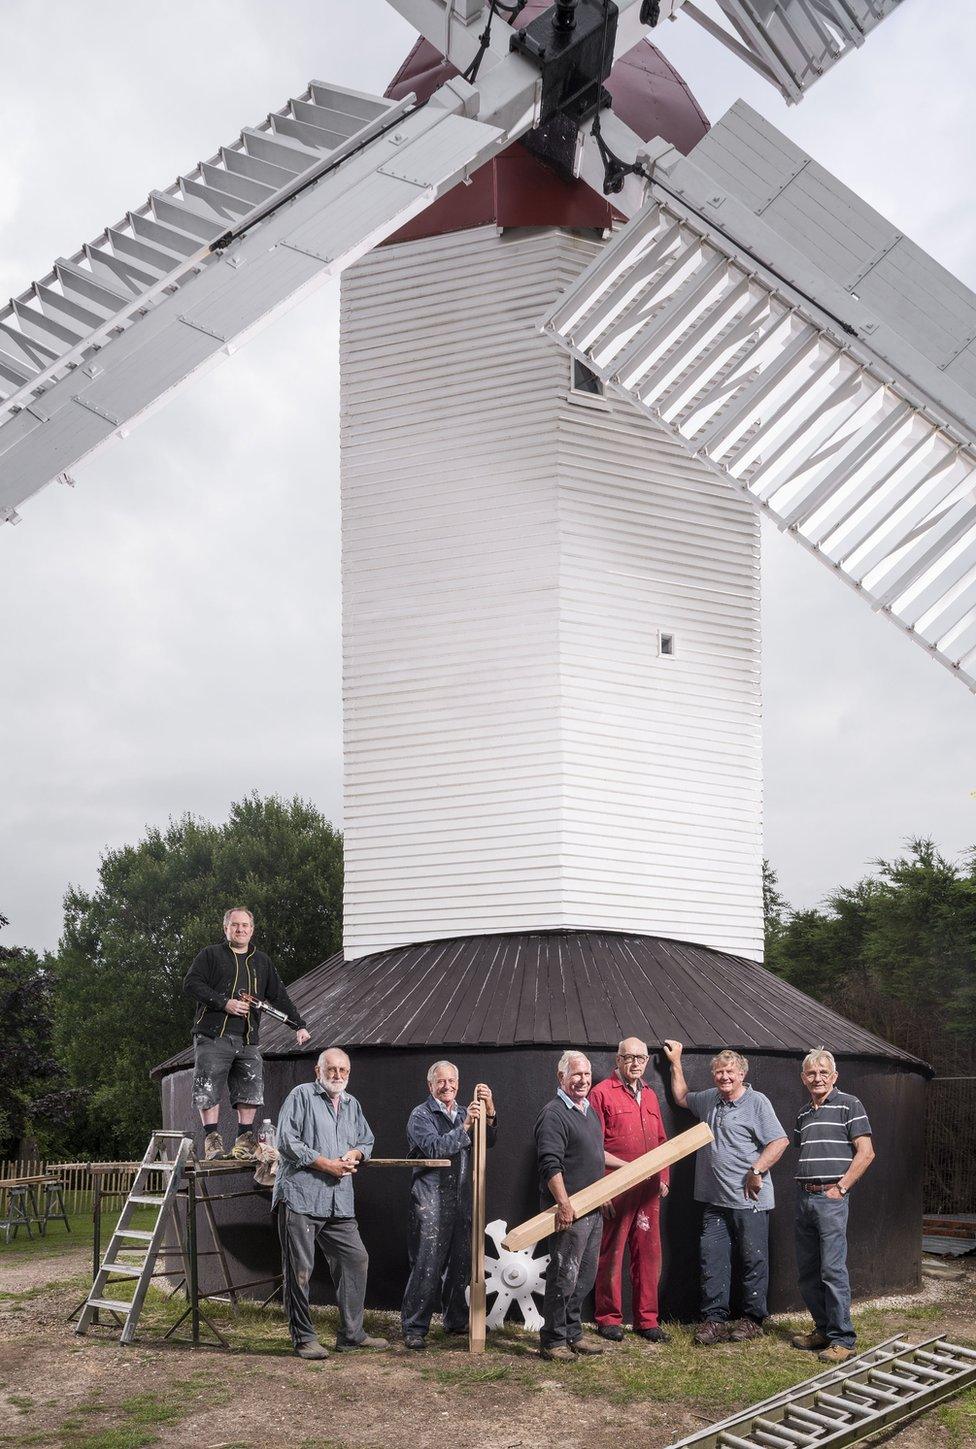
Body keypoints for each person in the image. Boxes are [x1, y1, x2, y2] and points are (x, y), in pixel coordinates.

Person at [663, 1039, 789, 1344]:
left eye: (730, 1071)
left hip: (750, 1201)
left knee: (752, 1260)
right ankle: (714, 1321)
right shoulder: (709, 1100)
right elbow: (681, 1097)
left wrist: (757, 1170)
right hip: (714, 1201)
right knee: (712, 1260)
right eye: (719, 1072)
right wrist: (675, 1061)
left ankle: (753, 1320)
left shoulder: (757, 1103)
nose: (724, 1077)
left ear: (742, 1073)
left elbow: (780, 1141)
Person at [273, 1047, 389, 1360]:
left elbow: (366, 1140)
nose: (337, 1076)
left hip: (339, 1202)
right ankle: (304, 1338)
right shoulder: (301, 1096)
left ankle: (351, 1335)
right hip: (301, 1196)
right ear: (318, 1070)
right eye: (332, 1069)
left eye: (343, 1071)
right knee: (300, 1270)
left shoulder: (352, 1104)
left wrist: (357, 1154)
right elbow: (285, 1141)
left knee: (356, 1259)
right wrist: (326, 1164)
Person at [184, 907, 310, 1160]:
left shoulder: (262, 961)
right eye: (235, 925)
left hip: (248, 1038)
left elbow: (279, 996)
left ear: (252, 930)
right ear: (226, 928)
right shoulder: (210, 955)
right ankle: (213, 1141)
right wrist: (223, 1003)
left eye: (245, 925)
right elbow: (191, 984)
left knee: (250, 1087)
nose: (240, 929)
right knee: (208, 1086)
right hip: (213, 1035)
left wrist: (299, 1025)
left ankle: (244, 1140)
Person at [535, 1050, 626, 1361]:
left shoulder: (588, 1111)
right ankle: (553, 1339)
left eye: (587, 1075)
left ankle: (573, 1332)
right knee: (564, 1274)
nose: (583, 1080)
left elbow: (595, 1155)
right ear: (561, 1078)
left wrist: (622, 1173)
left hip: (593, 1208)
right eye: (576, 1074)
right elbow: (550, 1164)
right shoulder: (554, 1113)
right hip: (570, 1211)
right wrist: (563, 1204)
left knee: (584, 1275)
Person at [400, 1062, 498, 1349]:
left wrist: (489, 1111)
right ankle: (414, 1326)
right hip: (430, 1200)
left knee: (461, 1264)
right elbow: (434, 1148)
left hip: (461, 1197)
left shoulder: (466, 1112)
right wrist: (467, 1125)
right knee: (427, 1265)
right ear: (430, 1085)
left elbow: (488, 1141)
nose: (448, 1086)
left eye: (452, 1081)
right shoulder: (421, 1115)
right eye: (441, 1081)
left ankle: (455, 1319)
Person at [790, 1048, 875, 1363]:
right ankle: (823, 1330)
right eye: (812, 1073)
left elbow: (866, 1152)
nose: (818, 1078)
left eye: (824, 1072)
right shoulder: (802, 1114)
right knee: (807, 1271)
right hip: (803, 1197)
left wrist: (841, 1188)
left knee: (832, 1270)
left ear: (834, 1076)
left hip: (830, 1199)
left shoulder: (850, 1104)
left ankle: (844, 1339)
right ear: (803, 1078)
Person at [589, 1037, 670, 1344]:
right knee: (611, 1253)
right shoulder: (601, 1093)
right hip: (615, 1187)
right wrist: (602, 1191)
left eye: (641, 1058)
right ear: (618, 1059)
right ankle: (608, 1318)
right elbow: (592, 1147)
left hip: (648, 1189)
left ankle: (647, 1320)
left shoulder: (650, 1094)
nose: (636, 1063)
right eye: (630, 1057)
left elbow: (662, 1140)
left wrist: (663, 1175)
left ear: (647, 1061)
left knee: (649, 1254)